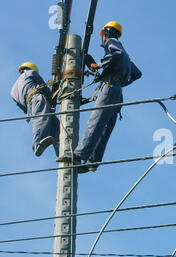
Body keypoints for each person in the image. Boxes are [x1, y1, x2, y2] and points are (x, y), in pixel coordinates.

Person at [56, 21, 142, 173]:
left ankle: (77, 155)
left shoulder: (112, 42)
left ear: (105, 33)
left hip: (110, 87)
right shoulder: (126, 56)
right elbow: (136, 73)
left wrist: (100, 66)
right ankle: (92, 162)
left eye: (102, 35)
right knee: (105, 127)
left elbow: (117, 54)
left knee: (95, 121)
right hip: (117, 92)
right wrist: (118, 80)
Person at [11, 62, 60, 157]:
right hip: (37, 98)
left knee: (56, 125)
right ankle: (37, 143)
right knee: (41, 118)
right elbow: (44, 87)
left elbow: (22, 107)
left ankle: (61, 151)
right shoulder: (31, 73)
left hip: (30, 107)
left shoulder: (13, 90)